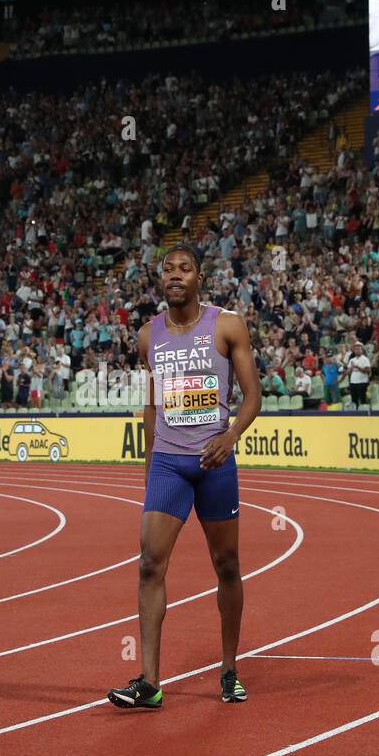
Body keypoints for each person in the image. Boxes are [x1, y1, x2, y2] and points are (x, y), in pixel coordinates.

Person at [108, 244, 261, 710]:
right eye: (168, 270)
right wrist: (151, 461)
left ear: (199, 277)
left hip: (214, 463)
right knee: (149, 564)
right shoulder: (146, 336)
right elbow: (151, 404)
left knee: (227, 566)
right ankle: (150, 682)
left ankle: (230, 669)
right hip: (169, 465)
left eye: (185, 269)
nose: (175, 276)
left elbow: (253, 396)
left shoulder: (227, 325)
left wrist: (230, 436)